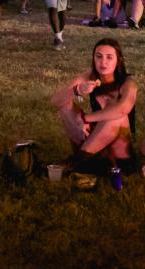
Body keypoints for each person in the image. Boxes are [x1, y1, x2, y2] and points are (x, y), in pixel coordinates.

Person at [51, 38, 137, 171]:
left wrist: (85, 119)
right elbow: (56, 100)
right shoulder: (90, 76)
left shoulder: (128, 83)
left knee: (116, 116)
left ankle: (76, 162)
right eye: (99, 56)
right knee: (65, 106)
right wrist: (78, 90)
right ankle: (85, 161)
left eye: (109, 57)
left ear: (118, 60)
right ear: (93, 58)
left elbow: (122, 109)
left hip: (119, 153)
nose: (103, 62)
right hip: (94, 145)